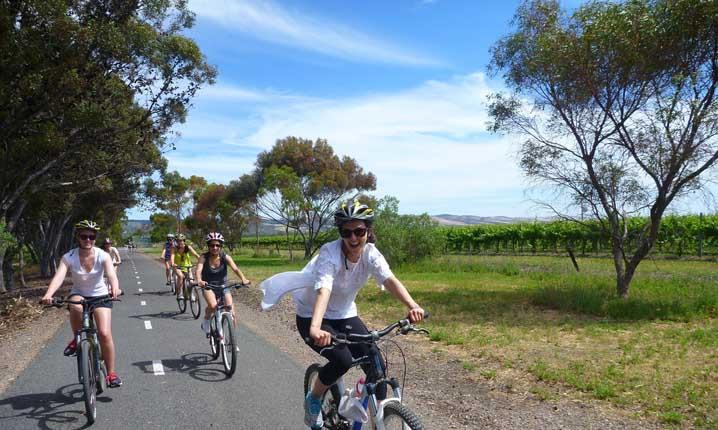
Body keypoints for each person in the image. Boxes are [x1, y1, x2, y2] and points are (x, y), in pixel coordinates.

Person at [285, 201, 424, 429]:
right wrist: (316, 328)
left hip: (344, 314)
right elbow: (324, 290)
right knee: (343, 361)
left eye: (359, 231)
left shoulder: (371, 254)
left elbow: (389, 280)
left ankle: (379, 418)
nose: (353, 238)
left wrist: (412, 305)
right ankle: (314, 398)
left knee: (376, 363)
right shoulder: (329, 253)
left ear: (368, 231)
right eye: (346, 232)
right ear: (340, 232)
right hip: (313, 315)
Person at [40, 220, 124, 388]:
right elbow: (59, 276)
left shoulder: (103, 255)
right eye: (84, 236)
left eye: (92, 237)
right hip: (79, 293)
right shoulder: (69, 257)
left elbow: (111, 274)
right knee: (76, 306)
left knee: (104, 333)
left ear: (95, 238)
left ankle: (111, 374)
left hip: (100, 296)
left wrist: (115, 288)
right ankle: (76, 338)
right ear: (78, 237)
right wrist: (48, 294)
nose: (88, 240)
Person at [195, 232, 251, 334]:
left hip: (223, 285)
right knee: (213, 306)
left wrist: (243, 279)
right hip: (208, 286)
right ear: (208, 246)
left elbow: (235, 269)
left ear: (221, 246)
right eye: (212, 245)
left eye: (217, 245)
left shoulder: (225, 257)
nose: (215, 247)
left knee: (231, 309)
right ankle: (206, 320)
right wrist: (199, 280)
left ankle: (231, 337)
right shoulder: (203, 257)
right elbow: (198, 270)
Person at [170, 234, 200, 300]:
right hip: (177, 266)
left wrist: (201, 260)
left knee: (191, 282)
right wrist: (172, 263)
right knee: (181, 277)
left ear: (184, 241)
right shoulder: (174, 248)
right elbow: (172, 256)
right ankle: (179, 293)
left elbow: (196, 254)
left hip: (188, 266)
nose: (180, 242)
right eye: (178, 241)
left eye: (181, 240)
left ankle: (191, 294)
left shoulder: (188, 247)